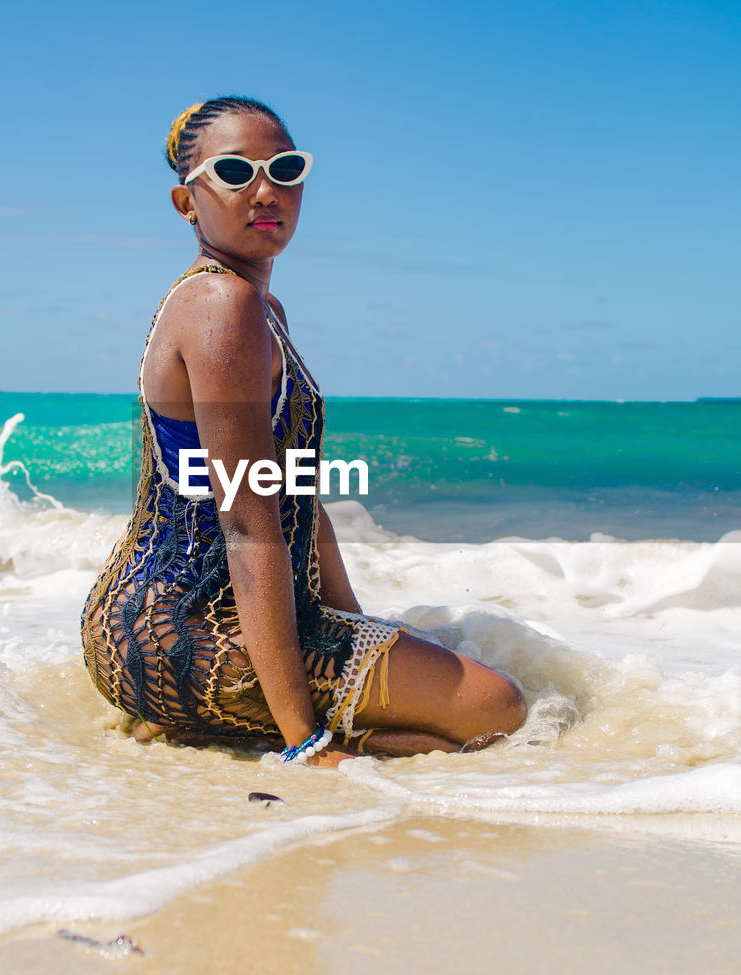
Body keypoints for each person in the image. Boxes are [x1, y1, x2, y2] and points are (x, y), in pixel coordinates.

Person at [81, 96, 526, 768]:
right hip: (197, 638)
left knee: (449, 678)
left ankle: (209, 727)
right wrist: (304, 742)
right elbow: (247, 523)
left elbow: (296, 497)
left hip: (132, 632)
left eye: (285, 169)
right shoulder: (222, 304)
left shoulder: (253, 306)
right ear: (185, 202)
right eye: (234, 172)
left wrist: (356, 622)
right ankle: (272, 728)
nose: (266, 190)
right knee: (497, 709)